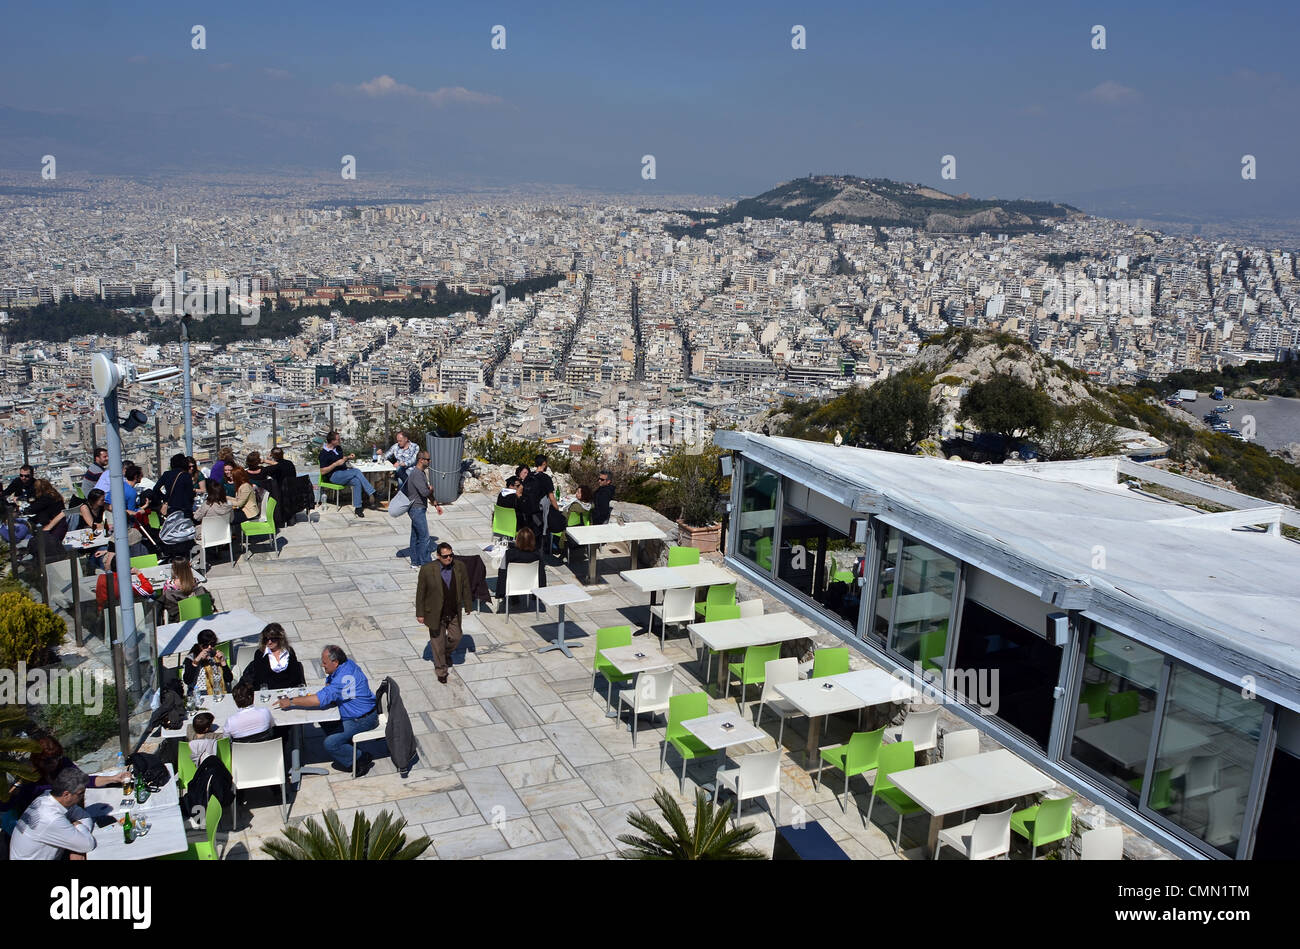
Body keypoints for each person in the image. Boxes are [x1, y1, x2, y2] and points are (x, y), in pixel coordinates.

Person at [275, 645, 377, 776]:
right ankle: (346, 744)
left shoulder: (341, 679)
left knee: (331, 743)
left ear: (335, 662)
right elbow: (329, 685)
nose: (322, 666)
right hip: (357, 713)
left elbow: (318, 699)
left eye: (324, 663)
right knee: (323, 718)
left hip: (363, 719)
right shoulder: (347, 664)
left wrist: (291, 701)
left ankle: (361, 758)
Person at [8, 768, 96, 861]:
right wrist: (79, 829)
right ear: (66, 794)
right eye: (81, 793)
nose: (83, 797)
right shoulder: (50, 817)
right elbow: (88, 845)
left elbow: (84, 816)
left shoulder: (49, 798)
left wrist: (77, 846)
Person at [416, 542, 472, 684]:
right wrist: (420, 613)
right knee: (437, 644)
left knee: (456, 636)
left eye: (451, 555)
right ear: (438, 556)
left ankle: (446, 653)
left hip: (453, 612)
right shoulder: (427, 570)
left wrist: (468, 605)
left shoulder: (459, 567)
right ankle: (441, 670)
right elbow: (420, 593)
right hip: (435, 613)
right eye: (446, 556)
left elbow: (465, 586)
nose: (449, 558)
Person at [319, 430, 374, 517]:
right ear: (332, 441)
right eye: (338, 439)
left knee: (356, 481)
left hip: (343, 473)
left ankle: (358, 508)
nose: (340, 441)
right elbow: (322, 471)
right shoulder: (324, 454)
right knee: (356, 471)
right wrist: (335, 464)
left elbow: (341, 460)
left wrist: (348, 457)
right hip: (334, 476)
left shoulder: (338, 448)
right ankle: (371, 492)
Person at [404, 450, 444, 569]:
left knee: (415, 536)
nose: (429, 461)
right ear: (421, 460)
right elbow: (424, 492)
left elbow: (425, 492)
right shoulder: (416, 474)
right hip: (416, 509)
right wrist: (431, 489)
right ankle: (426, 562)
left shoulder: (421, 473)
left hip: (418, 508)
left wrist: (435, 504)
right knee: (424, 537)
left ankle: (415, 562)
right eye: (427, 459)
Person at [237, 623, 305, 690]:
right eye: (266, 639)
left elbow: (295, 677)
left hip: (288, 691)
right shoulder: (260, 654)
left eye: (273, 639)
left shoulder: (289, 652)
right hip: (269, 692)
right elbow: (261, 680)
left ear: (280, 638)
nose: (269, 642)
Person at [496, 526, 545, 610]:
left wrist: (500, 592)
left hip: (512, 584)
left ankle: (514, 599)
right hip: (530, 583)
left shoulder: (509, 554)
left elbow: (502, 572)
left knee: (507, 572)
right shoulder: (537, 555)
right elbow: (541, 574)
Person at [158, 557, 210, 623]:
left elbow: (165, 599)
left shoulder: (169, 584)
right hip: (195, 613)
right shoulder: (195, 581)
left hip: (178, 617)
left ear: (174, 569)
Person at [183, 629, 232, 698]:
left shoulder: (216, 655)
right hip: (199, 692)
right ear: (200, 645)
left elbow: (229, 679)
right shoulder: (191, 658)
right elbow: (187, 680)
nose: (209, 647)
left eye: (212, 644)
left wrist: (223, 662)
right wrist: (196, 661)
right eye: (205, 645)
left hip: (218, 691)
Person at [26, 479, 69, 557]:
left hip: (54, 525)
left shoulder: (46, 497)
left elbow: (33, 509)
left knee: (52, 547)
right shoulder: (54, 494)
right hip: (59, 523)